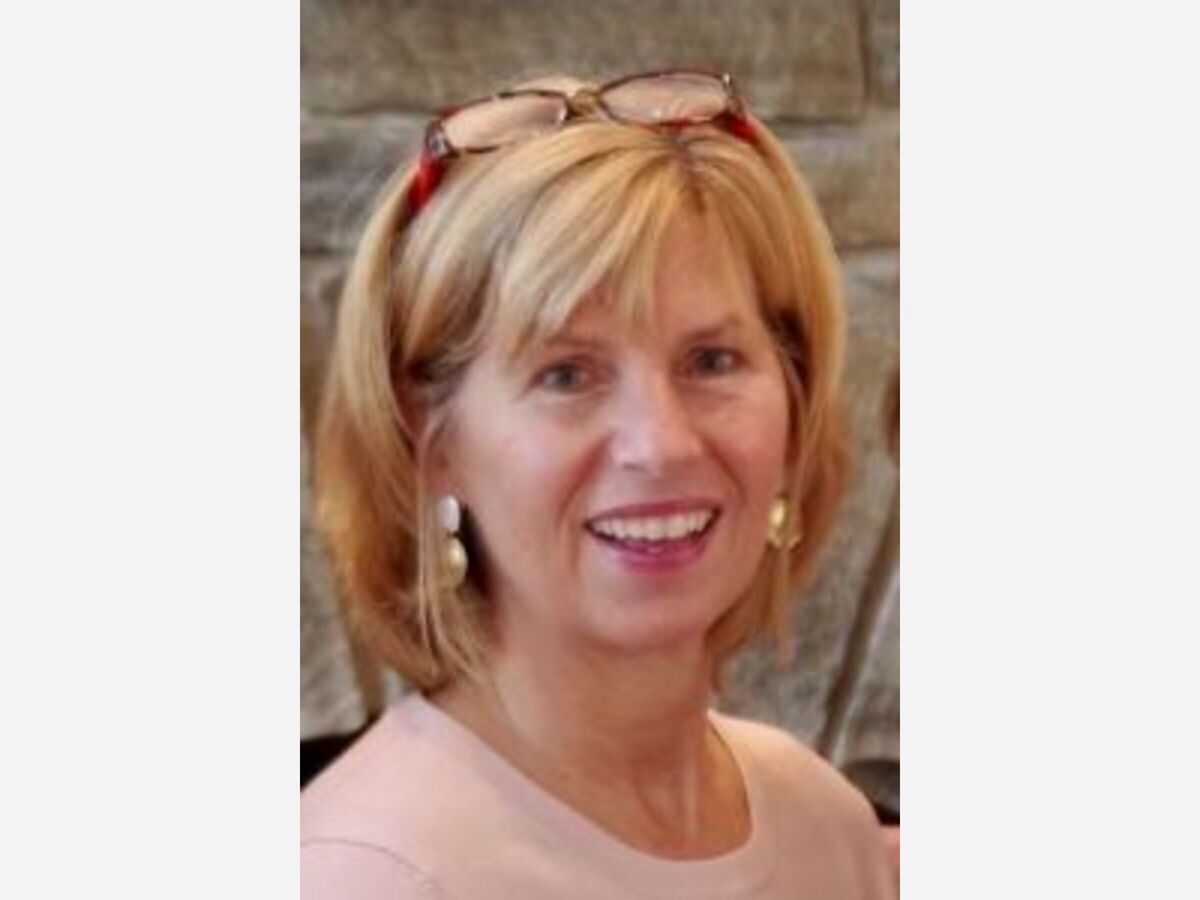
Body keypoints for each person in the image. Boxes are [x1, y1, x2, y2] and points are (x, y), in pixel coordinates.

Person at [302, 69, 896, 898]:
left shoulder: (827, 826)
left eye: (711, 361)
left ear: (795, 401)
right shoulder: (364, 873)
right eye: (567, 374)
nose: (661, 445)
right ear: (429, 438)